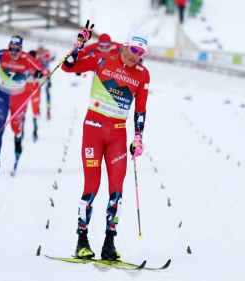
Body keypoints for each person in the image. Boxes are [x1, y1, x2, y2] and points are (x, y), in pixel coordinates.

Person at [62, 28, 150, 260]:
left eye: (140, 53)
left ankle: (109, 244)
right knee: (91, 186)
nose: (135, 56)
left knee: (117, 191)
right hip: (93, 129)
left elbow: (140, 109)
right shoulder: (103, 59)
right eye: (133, 49)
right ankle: (82, 241)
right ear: (124, 46)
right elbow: (68, 66)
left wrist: (138, 137)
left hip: (118, 136)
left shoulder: (143, 74)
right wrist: (79, 44)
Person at [0, 36, 46, 177]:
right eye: (11, 49)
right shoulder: (2, 54)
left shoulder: (27, 58)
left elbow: (43, 72)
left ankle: (18, 143)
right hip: (2, 96)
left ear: (21, 49)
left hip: (18, 99)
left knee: (16, 128)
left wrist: (38, 73)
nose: (14, 52)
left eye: (17, 50)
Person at [36, 46, 55, 120]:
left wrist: (49, 80)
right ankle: (38, 110)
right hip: (39, 77)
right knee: (38, 94)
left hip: (46, 77)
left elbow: (53, 57)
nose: (41, 53)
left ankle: (48, 111)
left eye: (42, 51)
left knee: (47, 94)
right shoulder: (37, 55)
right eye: (40, 51)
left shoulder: (47, 54)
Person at [27, 50, 42, 142]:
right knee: (23, 109)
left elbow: (43, 73)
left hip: (35, 88)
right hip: (26, 87)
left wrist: (39, 75)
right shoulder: (25, 63)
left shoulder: (37, 64)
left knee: (35, 110)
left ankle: (35, 130)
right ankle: (21, 130)